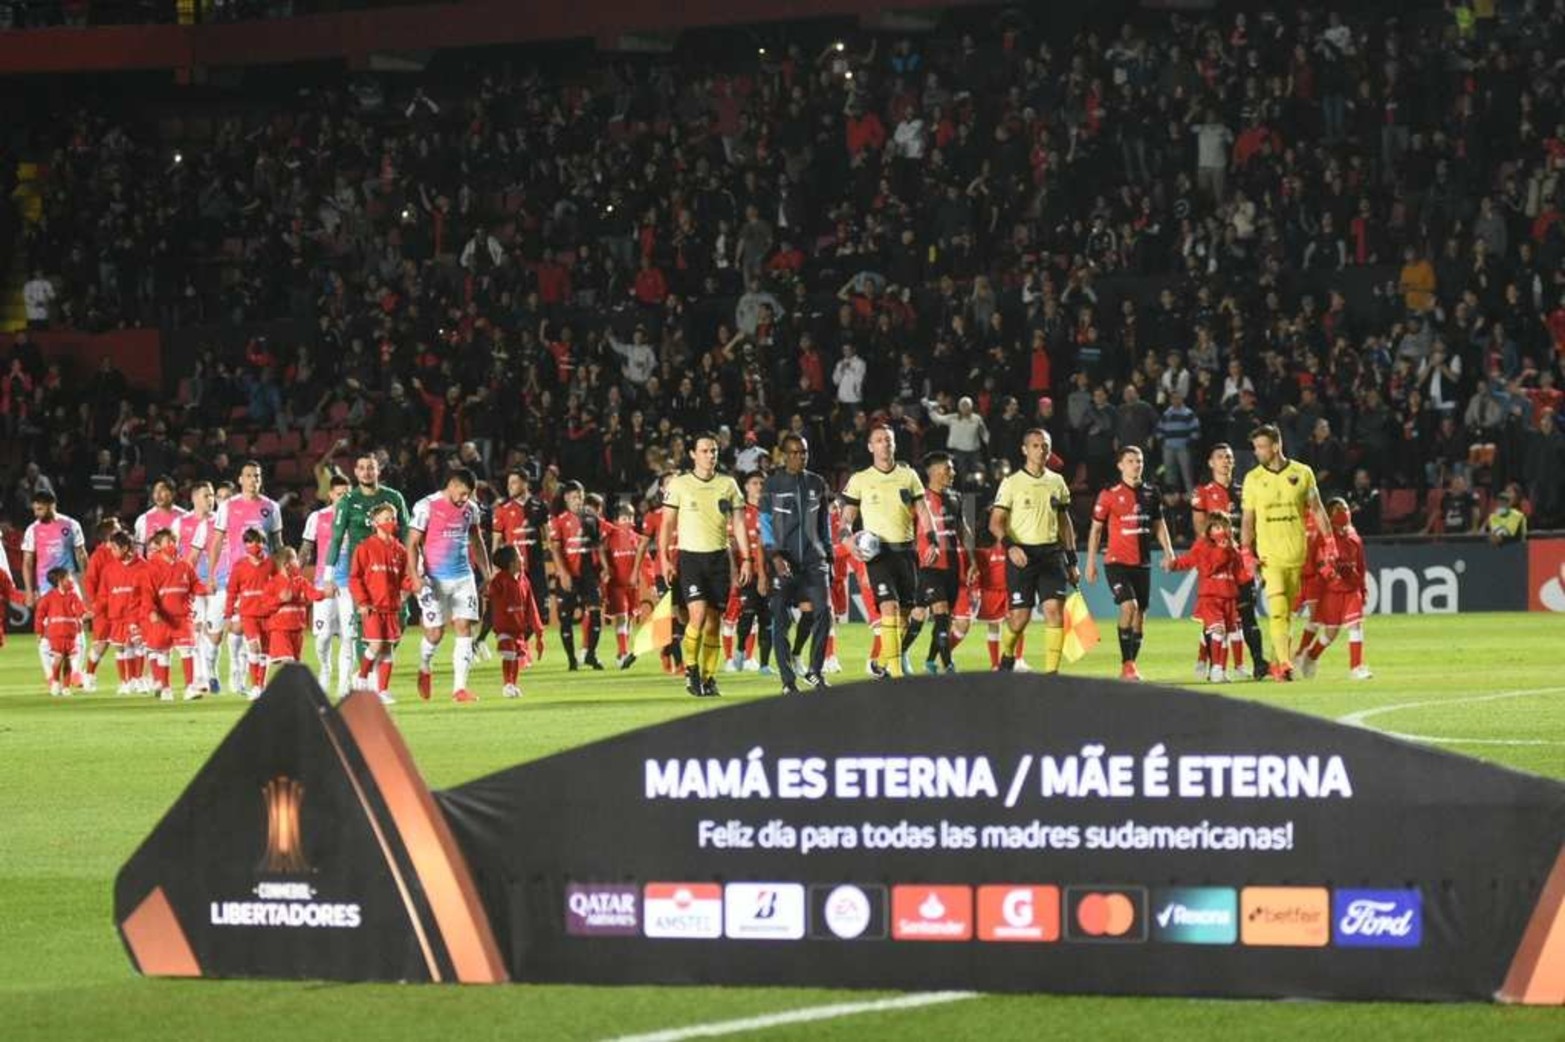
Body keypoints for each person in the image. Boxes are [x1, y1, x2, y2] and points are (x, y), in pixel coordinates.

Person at [838, 425, 938, 678]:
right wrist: (848, 541)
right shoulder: (860, 479)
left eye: (889, 440)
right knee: (889, 609)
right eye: (879, 440)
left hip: (906, 552)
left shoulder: (909, 476)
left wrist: (933, 540)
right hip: (878, 554)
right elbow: (846, 520)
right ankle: (895, 674)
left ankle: (880, 662)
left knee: (905, 617)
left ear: (894, 445)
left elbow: (924, 511)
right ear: (871, 447)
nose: (885, 444)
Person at [1240, 424, 1335, 681]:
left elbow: (1317, 510)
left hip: (1297, 555)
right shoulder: (1252, 479)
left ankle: (1276, 659)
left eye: (1261, 447)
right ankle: (1284, 664)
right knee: (1279, 608)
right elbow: (1247, 520)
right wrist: (1246, 552)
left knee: (1287, 614)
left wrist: (1330, 542)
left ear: (1276, 445)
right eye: (1255, 447)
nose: (1257, 452)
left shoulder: (1303, 473)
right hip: (1269, 557)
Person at [660, 432, 751, 696]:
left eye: (713, 451)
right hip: (690, 557)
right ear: (692, 454)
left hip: (719, 559)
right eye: (704, 451)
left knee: (713, 622)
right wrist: (665, 558)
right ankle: (691, 669)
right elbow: (666, 523)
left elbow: (740, 525)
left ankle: (709, 678)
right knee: (697, 615)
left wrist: (745, 559)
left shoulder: (728, 484)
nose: (710, 455)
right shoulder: (679, 485)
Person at [989, 428, 1077, 673]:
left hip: (1051, 554)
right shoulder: (1011, 483)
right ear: (1025, 450)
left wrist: (1071, 561)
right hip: (1022, 556)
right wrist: (1010, 546)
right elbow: (995, 522)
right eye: (1036, 446)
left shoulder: (1057, 482)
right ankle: (1007, 654)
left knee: (1055, 612)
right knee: (1019, 619)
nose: (1041, 450)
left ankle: (1052, 673)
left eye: (1045, 446)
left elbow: (1064, 522)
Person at [1086, 446, 1175, 681]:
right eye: (1131, 461)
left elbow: (1158, 524)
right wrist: (1090, 563)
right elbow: (1096, 530)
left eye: (1140, 461)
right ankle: (1127, 664)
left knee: (1140, 615)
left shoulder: (1151, 493)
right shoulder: (1109, 494)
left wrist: (1169, 551)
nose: (1136, 465)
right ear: (1120, 465)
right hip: (1116, 562)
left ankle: (1130, 666)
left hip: (1143, 563)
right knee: (1129, 606)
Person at [325, 452, 410, 694]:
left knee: (401, 619)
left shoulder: (393, 497)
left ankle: (370, 668)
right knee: (367, 624)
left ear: (378, 470)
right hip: (364, 573)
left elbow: (406, 534)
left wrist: (416, 565)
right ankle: (371, 679)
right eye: (361, 468)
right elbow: (336, 538)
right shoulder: (348, 501)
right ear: (355, 472)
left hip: (392, 570)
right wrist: (328, 576)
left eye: (370, 468)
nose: (366, 472)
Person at [408, 468, 490, 703]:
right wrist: (414, 576)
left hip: (464, 577)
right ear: (452, 485)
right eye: (463, 493)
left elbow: (476, 539)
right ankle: (424, 665)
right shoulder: (426, 506)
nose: (465, 499)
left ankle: (459, 689)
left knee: (464, 627)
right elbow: (412, 543)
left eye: (469, 495)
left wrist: (487, 572)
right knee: (435, 634)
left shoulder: (471, 509)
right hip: (434, 580)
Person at [760, 433, 834, 695]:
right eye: (793, 452)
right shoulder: (772, 484)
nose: (799, 457)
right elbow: (765, 525)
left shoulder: (817, 483)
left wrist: (829, 556)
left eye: (803, 452)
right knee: (780, 620)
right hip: (784, 562)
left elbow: (824, 524)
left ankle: (815, 670)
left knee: (823, 612)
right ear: (783, 455)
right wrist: (775, 557)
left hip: (815, 561)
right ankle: (787, 680)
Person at [1190, 443, 1266, 679]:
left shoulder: (1245, 491)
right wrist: (1211, 560)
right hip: (1215, 566)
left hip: (1240, 563)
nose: (1226, 460)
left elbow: (1253, 527)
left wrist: (1253, 559)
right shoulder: (1203, 492)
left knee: (1247, 613)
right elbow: (1200, 529)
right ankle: (1214, 666)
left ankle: (1258, 664)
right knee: (1216, 617)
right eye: (1220, 457)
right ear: (1211, 463)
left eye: (1229, 457)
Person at [207, 461, 284, 694]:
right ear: (240, 479)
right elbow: (218, 541)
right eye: (249, 475)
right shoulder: (228, 506)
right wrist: (211, 575)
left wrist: (282, 575)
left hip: (264, 580)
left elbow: (278, 544)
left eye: (257, 476)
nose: (253, 480)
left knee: (255, 631)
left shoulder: (271, 507)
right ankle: (215, 671)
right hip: (234, 577)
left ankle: (246, 679)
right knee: (228, 629)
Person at [912, 452, 976, 674]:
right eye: (949, 468)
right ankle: (948, 665)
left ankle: (930, 660)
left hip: (952, 567)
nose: (953, 472)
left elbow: (963, 531)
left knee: (944, 619)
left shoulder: (955, 497)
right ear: (935, 472)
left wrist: (973, 561)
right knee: (937, 613)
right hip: (929, 567)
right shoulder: (918, 499)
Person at [1297, 497, 1372, 680]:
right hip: (1331, 590)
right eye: (1339, 510)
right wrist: (1328, 571)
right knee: (1331, 632)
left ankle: (1356, 667)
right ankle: (1311, 656)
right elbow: (1316, 562)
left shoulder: (1354, 537)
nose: (1344, 512)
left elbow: (1361, 565)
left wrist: (1363, 589)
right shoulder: (1324, 537)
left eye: (1346, 508)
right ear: (1329, 515)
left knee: (1356, 625)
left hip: (1351, 588)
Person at [1166, 515, 1245, 683]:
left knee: (1226, 634)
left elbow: (1240, 574)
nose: (1220, 531)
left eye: (1222, 527)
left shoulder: (1233, 548)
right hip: (1210, 597)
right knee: (1218, 631)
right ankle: (1214, 668)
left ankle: (1221, 670)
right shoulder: (1204, 546)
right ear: (1209, 530)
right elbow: (1202, 564)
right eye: (1215, 528)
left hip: (1229, 597)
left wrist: (1253, 570)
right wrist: (1173, 565)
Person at [21, 489, 87, 684]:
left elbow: (81, 555)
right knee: (46, 630)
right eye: (35, 510)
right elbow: (27, 561)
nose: (37, 514)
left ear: (52, 505)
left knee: (77, 625)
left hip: (69, 584)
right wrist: (28, 591)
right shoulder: (32, 530)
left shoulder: (70, 525)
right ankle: (50, 675)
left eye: (40, 509)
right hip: (45, 587)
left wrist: (87, 585)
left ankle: (76, 671)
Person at [349, 502, 412, 705]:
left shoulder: (400, 550)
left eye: (393, 518)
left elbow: (403, 578)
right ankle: (361, 677)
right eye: (386, 519)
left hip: (391, 607)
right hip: (373, 607)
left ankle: (383, 690)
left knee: (388, 648)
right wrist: (362, 601)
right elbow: (355, 577)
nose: (391, 522)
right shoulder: (365, 547)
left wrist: (414, 584)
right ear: (375, 522)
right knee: (376, 645)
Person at [549, 481, 609, 671]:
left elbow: (598, 545)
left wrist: (606, 566)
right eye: (574, 497)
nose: (578, 501)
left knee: (595, 613)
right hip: (569, 573)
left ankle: (591, 654)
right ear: (566, 498)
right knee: (565, 618)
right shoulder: (559, 520)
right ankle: (571, 660)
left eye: (580, 497)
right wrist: (564, 573)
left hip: (588, 574)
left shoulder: (591, 517)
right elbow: (556, 549)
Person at [143, 528, 205, 702]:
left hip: (183, 616)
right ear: (159, 546)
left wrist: (205, 589)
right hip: (163, 617)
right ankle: (166, 687)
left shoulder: (185, 565)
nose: (172, 545)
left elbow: (195, 584)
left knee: (187, 650)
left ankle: (190, 687)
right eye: (168, 542)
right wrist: (152, 612)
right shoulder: (152, 567)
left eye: (173, 541)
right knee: (163, 653)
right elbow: (147, 594)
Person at [300, 475, 349, 695]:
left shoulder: (357, 517)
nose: (344, 498)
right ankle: (326, 668)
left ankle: (343, 685)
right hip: (323, 584)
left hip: (350, 584)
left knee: (349, 636)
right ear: (330, 495)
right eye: (340, 494)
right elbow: (306, 548)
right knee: (323, 636)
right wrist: (295, 572)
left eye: (347, 494)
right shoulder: (317, 517)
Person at [722, 472, 772, 674]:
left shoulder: (770, 512)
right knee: (740, 615)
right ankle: (731, 658)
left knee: (764, 619)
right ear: (746, 487)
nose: (759, 486)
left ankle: (754, 660)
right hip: (745, 572)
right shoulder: (740, 513)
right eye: (754, 483)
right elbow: (729, 543)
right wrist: (734, 571)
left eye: (762, 483)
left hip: (767, 573)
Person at [491, 470, 552, 626]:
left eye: (514, 482)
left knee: (540, 614)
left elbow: (547, 536)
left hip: (536, 566)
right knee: (514, 611)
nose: (509, 487)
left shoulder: (540, 506)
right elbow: (497, 540)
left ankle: (522, 645)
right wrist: (494, 566)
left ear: (525, 483)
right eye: (508, 483)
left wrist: (548, 550)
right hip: (514, 568)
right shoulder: (502, 509)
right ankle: (483, 639)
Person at [224, 528, 277, 701]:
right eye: (250, 542)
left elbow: (279, 585)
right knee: (254, 648)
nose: (254, 545)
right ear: (245, 544)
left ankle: (261, 685)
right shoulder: (239, 566)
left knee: (266, 652)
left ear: (263, 543)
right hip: (248, 615)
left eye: (258, 541)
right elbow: (232, 591)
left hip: (268, 614)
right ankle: (255, 685)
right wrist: (228, 615)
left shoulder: (271, 564)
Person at [96, 531, 151, 696]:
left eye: (113, 548)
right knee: (121, 649)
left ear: (126, 547)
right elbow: (103, 595)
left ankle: (139, 679)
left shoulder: (143, 566)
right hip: (117, 617)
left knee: (138, 647)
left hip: (137, 617)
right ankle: (125, 682)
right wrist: (96, 611)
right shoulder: (109, 569)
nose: (111, 552)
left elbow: (148, 592)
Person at [488, 544, 545, 698]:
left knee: (517, 656)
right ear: (512, 562)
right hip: (503, 627)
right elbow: (490, 593)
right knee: (509, 653)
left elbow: (531, 607)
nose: (522, 558)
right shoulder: (499, 581)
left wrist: (539, 632)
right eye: (519, 555)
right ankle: (507, 684)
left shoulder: (524, 580)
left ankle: (513, 684)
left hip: (519, 628)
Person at [261, 547, 326, 682]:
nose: (298, 562)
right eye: (295, 559)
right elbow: (264, 607)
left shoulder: (300, 581)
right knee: (288, 664)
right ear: (287, 565)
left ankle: (287, 695)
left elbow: (313, 594)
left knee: (294, 668)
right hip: (280, 632)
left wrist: (325, 593)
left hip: (297, 633)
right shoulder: (273, 584)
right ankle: (280, 694)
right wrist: (280, 599)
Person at [177, 482, 218, 693]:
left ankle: (213, 672)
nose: (210, 499)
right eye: (206, 495)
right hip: (195, 585)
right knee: (198, 629)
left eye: (212, 495)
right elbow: (177, 554)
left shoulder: (220, 522)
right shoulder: (181, 522)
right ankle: (202, 678)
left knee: (215, 632)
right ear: (194, 498)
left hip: (219, 583)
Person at [601, 501, 642, 668]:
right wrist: (606, 567)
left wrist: (651, 582)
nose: (627, 521)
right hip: (616, 585)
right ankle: (624, 653)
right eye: (623, 518)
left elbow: (644, 561)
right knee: (622, 617)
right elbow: (600, 549)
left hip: (633, 585)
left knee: (629, 620)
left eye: (630, 517)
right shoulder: (611, 537)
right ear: (617, 520)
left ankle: (621, 651)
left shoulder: (637, 538)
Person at [34, 567, 84, 697]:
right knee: (58, 658)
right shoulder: (48, 598)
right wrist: (39, 632)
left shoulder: (73, 596)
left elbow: (80, 610)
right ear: (61, 581)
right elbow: (40, 615)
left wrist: (83, 615)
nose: (72, 580)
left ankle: (66, 687)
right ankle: (55, 682)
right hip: (55, 634)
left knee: (67, 661)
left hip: (70, 634)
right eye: (69, 577)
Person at [133, 478, 187, 555]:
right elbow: (138, 549)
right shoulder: (143, 519)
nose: (158, 495)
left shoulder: (185, 517)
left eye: (162, 490)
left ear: (173, 493)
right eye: (155, 491)